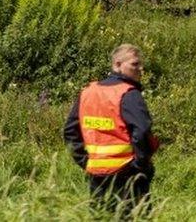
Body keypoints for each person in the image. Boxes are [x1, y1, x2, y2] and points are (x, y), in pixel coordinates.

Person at [63, 43, 158, 216]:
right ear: (117, 65)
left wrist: (85, 161)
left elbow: (70, 131)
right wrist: (140, 165)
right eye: (135, 64)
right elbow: (143, 132)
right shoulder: (129, 94)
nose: (140, 69)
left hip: (96, 176)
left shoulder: (88, 92)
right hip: (128, 175)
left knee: (101, 217)